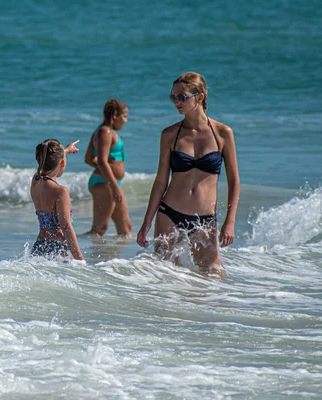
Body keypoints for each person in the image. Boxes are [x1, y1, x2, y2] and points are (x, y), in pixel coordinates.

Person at [136, 72, 240, 277]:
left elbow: (234, 180)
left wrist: (230, 222)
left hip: (205, 219)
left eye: (182, 97)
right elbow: (160, 181)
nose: (176, 102)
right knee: (165, 275)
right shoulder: (170, 134)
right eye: (173, 97)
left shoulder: (222, 133)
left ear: (199, 97)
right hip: (170, 213)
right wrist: (147, 221)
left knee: (213, 275)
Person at [84, 99, 132, 237]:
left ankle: (120, 259)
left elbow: (88, 159)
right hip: (104, 183)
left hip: (111, 183)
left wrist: (107, 167)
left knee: (125, 229)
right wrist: (114, 185)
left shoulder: (105, 131)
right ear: (115, 115)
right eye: (124, 116)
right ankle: (74, 251)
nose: (125, 120)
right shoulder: (104, 132)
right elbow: (102, 162)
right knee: (99, 229)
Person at [31, 139, 84, 260]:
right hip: (57, 249)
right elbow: (66, 227)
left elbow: (46, 160)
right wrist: (80, 259)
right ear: (62, 163)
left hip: (39, 246)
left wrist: (65, 151)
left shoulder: (35, 180)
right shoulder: (60, 191)